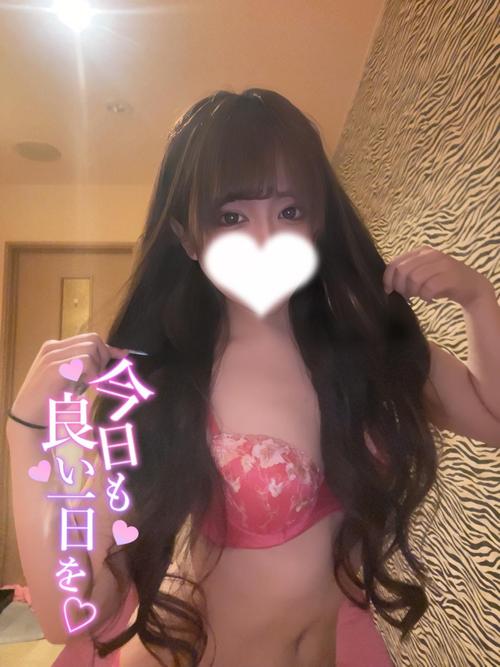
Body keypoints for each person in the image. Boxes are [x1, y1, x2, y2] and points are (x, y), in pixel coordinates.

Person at [7, 88, 441, 666]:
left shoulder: (351, 357)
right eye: (232, 217)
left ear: (318, 222)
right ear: (187, 239)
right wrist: (26, 431)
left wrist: (477, 301)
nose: (264, 239)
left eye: (290, 211)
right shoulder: (156, 386)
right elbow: (72, 613)